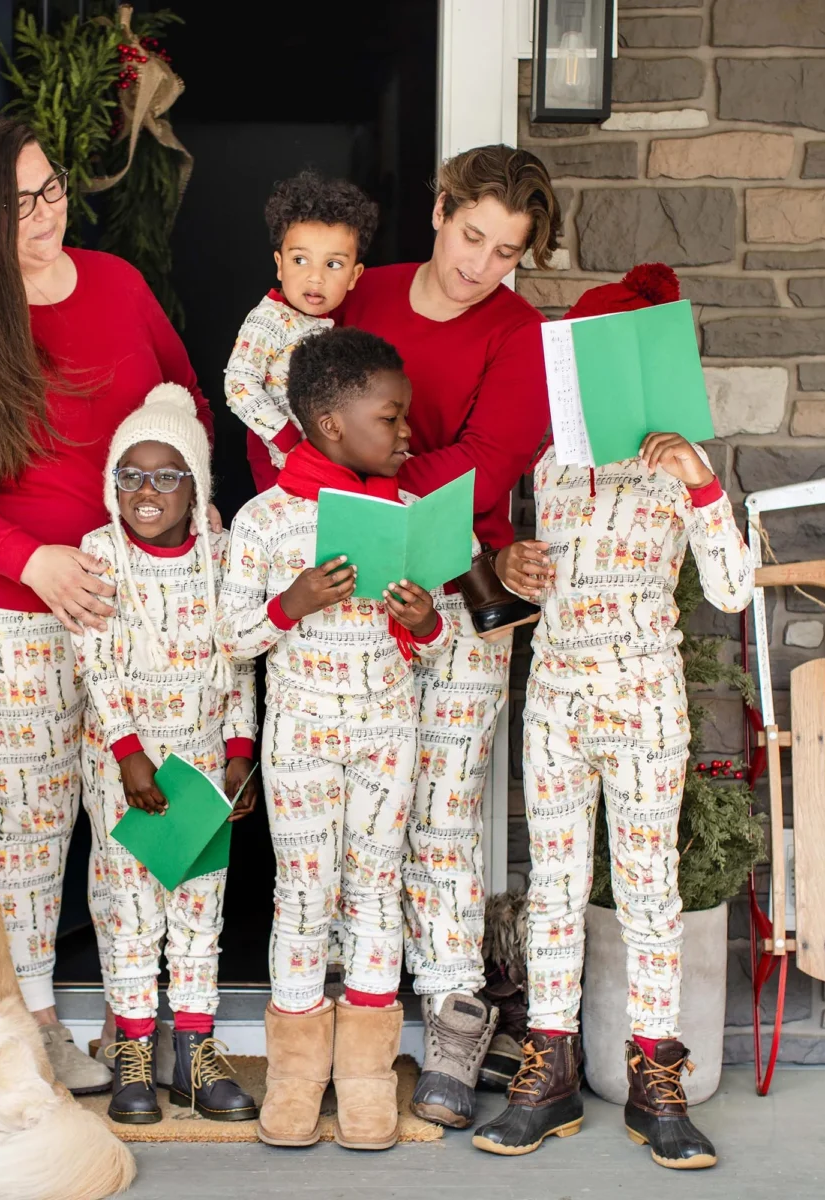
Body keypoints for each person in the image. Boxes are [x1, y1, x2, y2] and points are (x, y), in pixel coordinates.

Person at [0, 115, 212, 1094]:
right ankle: (26, 1022)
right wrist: (34, 562)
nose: (45, 213)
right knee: (30, 813)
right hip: (0, 608)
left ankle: (139, 1019)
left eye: (51, 189)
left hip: (131, 605)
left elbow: (184, 401)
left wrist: (180, 529)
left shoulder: (117, 285)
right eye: (18, 202)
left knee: (135, 808)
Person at [472, 265, 753, 1169]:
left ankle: (654, 1079)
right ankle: (547, 1074)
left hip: (640, 703)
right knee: (552, 885)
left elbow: (735, 590)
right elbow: (516, 561)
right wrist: (510, 560)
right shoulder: (554, 458)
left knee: (647, 896)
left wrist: (702, 484)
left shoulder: (682, 472)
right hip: (554, 698)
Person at [337, 143, 563, 1128]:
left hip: (470, 592)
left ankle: (456, 1018)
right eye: (472, 235)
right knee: (360, 808)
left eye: (504, 252)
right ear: (438, 211)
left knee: (446, 813)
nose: (480, 266)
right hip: (357, 582)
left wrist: (370, 471)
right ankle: (354, 1013)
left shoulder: (519, 331)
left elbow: (491, 459)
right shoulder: (362, 293)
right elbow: (294, 411)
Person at [216, 328, 453, 1152]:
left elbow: (440, 641)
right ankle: (293, 1074)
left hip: (388, 733)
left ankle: (363, 1075)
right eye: (390, 419)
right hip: (302, 742)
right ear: (327, 423)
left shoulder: (414, 515)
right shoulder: (266, 521)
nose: (405, 434)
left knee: (375, 891)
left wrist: (424, 620)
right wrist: (294, 602)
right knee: (304, 898)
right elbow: (233, 637)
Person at [72, 382, 260, 1125]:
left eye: (166, 476)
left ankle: (195, 1052)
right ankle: (133, 1056)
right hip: (128, 766)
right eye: (130, 475)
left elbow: (238, 659)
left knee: (198, 911)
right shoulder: (100, 552)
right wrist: (126, 755)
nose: (146, 491)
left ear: (197, 487)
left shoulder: (221, 556)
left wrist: (238, 754)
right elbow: (97, 661)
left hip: (200, 766)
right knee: (131, 912)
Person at [227, 170, 378, 492]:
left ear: (354, 275)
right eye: (300, 260)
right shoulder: (268, 319)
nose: (315, 278)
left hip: (320, 458)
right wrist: (287, 439)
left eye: (333, 264)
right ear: (279, 264)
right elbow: (238, 384)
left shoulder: (328, 327)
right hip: (281, 460)